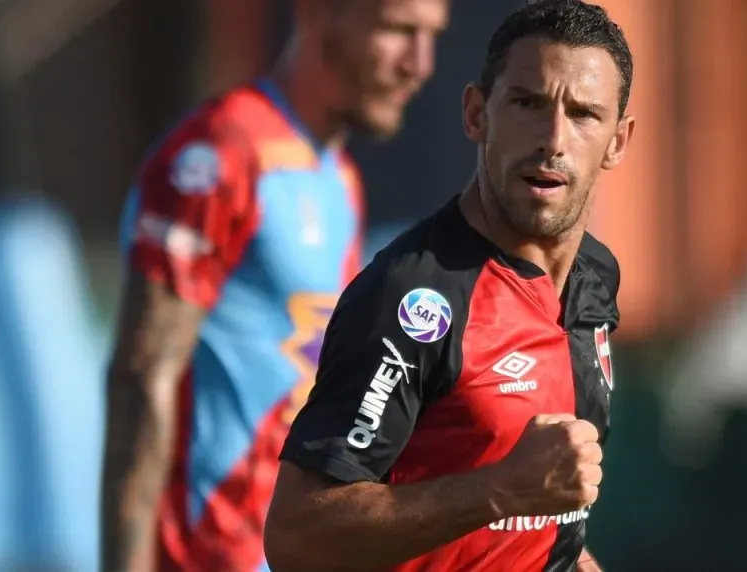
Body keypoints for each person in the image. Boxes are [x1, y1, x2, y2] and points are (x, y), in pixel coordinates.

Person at [263, 1, 635, 570]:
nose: (553, 139)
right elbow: (296, 536)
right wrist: (504, 486)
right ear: (475, 115)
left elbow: (544, 525)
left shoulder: (595, 279)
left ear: (617, 141)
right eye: (527, 103)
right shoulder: (414, 295)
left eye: (584, 114)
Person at [100, 1, 450, 570]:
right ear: (317, 14)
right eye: (399, 29)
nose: (420, 63)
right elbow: (141, 378)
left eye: (432, 36)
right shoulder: (221, 153)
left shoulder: (341, 180)